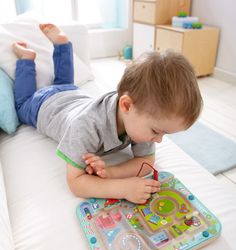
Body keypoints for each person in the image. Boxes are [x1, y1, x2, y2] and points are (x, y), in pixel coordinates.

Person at [12, 24, 203, 204]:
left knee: (65, 83)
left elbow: (146, 161)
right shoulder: (86, 127)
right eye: (156, 131)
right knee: (21, 105)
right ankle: (26, 60)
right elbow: (76, 182)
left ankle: (62, 45)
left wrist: (111, 173)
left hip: (72, 93)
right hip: (44, 106)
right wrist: (123, 188)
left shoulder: (141, 114)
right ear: (126, 106)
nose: (158, 140)